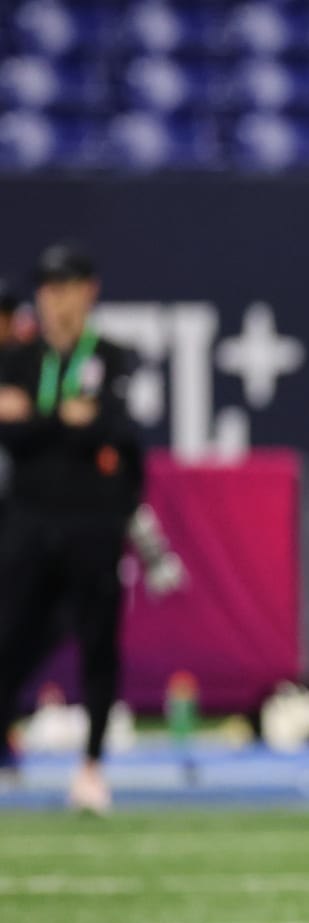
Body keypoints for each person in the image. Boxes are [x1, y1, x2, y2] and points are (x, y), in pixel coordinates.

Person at [0, 243, 145, 812]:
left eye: (69, 287)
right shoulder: (17, 358)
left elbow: (113, 429)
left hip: (93, 524)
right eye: (49, 289)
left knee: (98, 644)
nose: (58, 301)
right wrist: (65, 419)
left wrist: (40, 421)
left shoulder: (111, 355)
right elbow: (12, 436)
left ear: (90, 290)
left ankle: (91, 765)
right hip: (28, 522)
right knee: (11, 635)